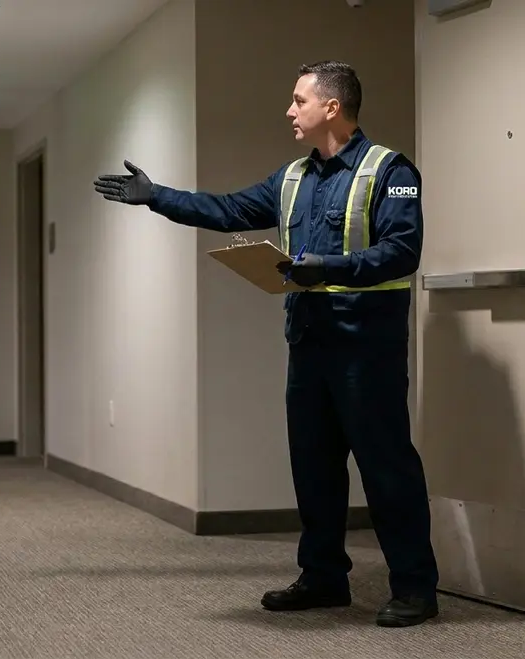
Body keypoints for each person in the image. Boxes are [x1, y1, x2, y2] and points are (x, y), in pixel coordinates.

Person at [92, 60, 439, 628]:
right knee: (314, 467)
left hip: (364, 348)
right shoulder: (293, 177)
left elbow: (402, 252)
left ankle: (416, 588)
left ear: (332, 107)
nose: (289, 110)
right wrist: (157, 196)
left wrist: (327, 266)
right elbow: (229, 210)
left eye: (298, 100)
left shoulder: (391, 171)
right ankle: (324, 578)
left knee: (387, 468)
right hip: (308, 344)